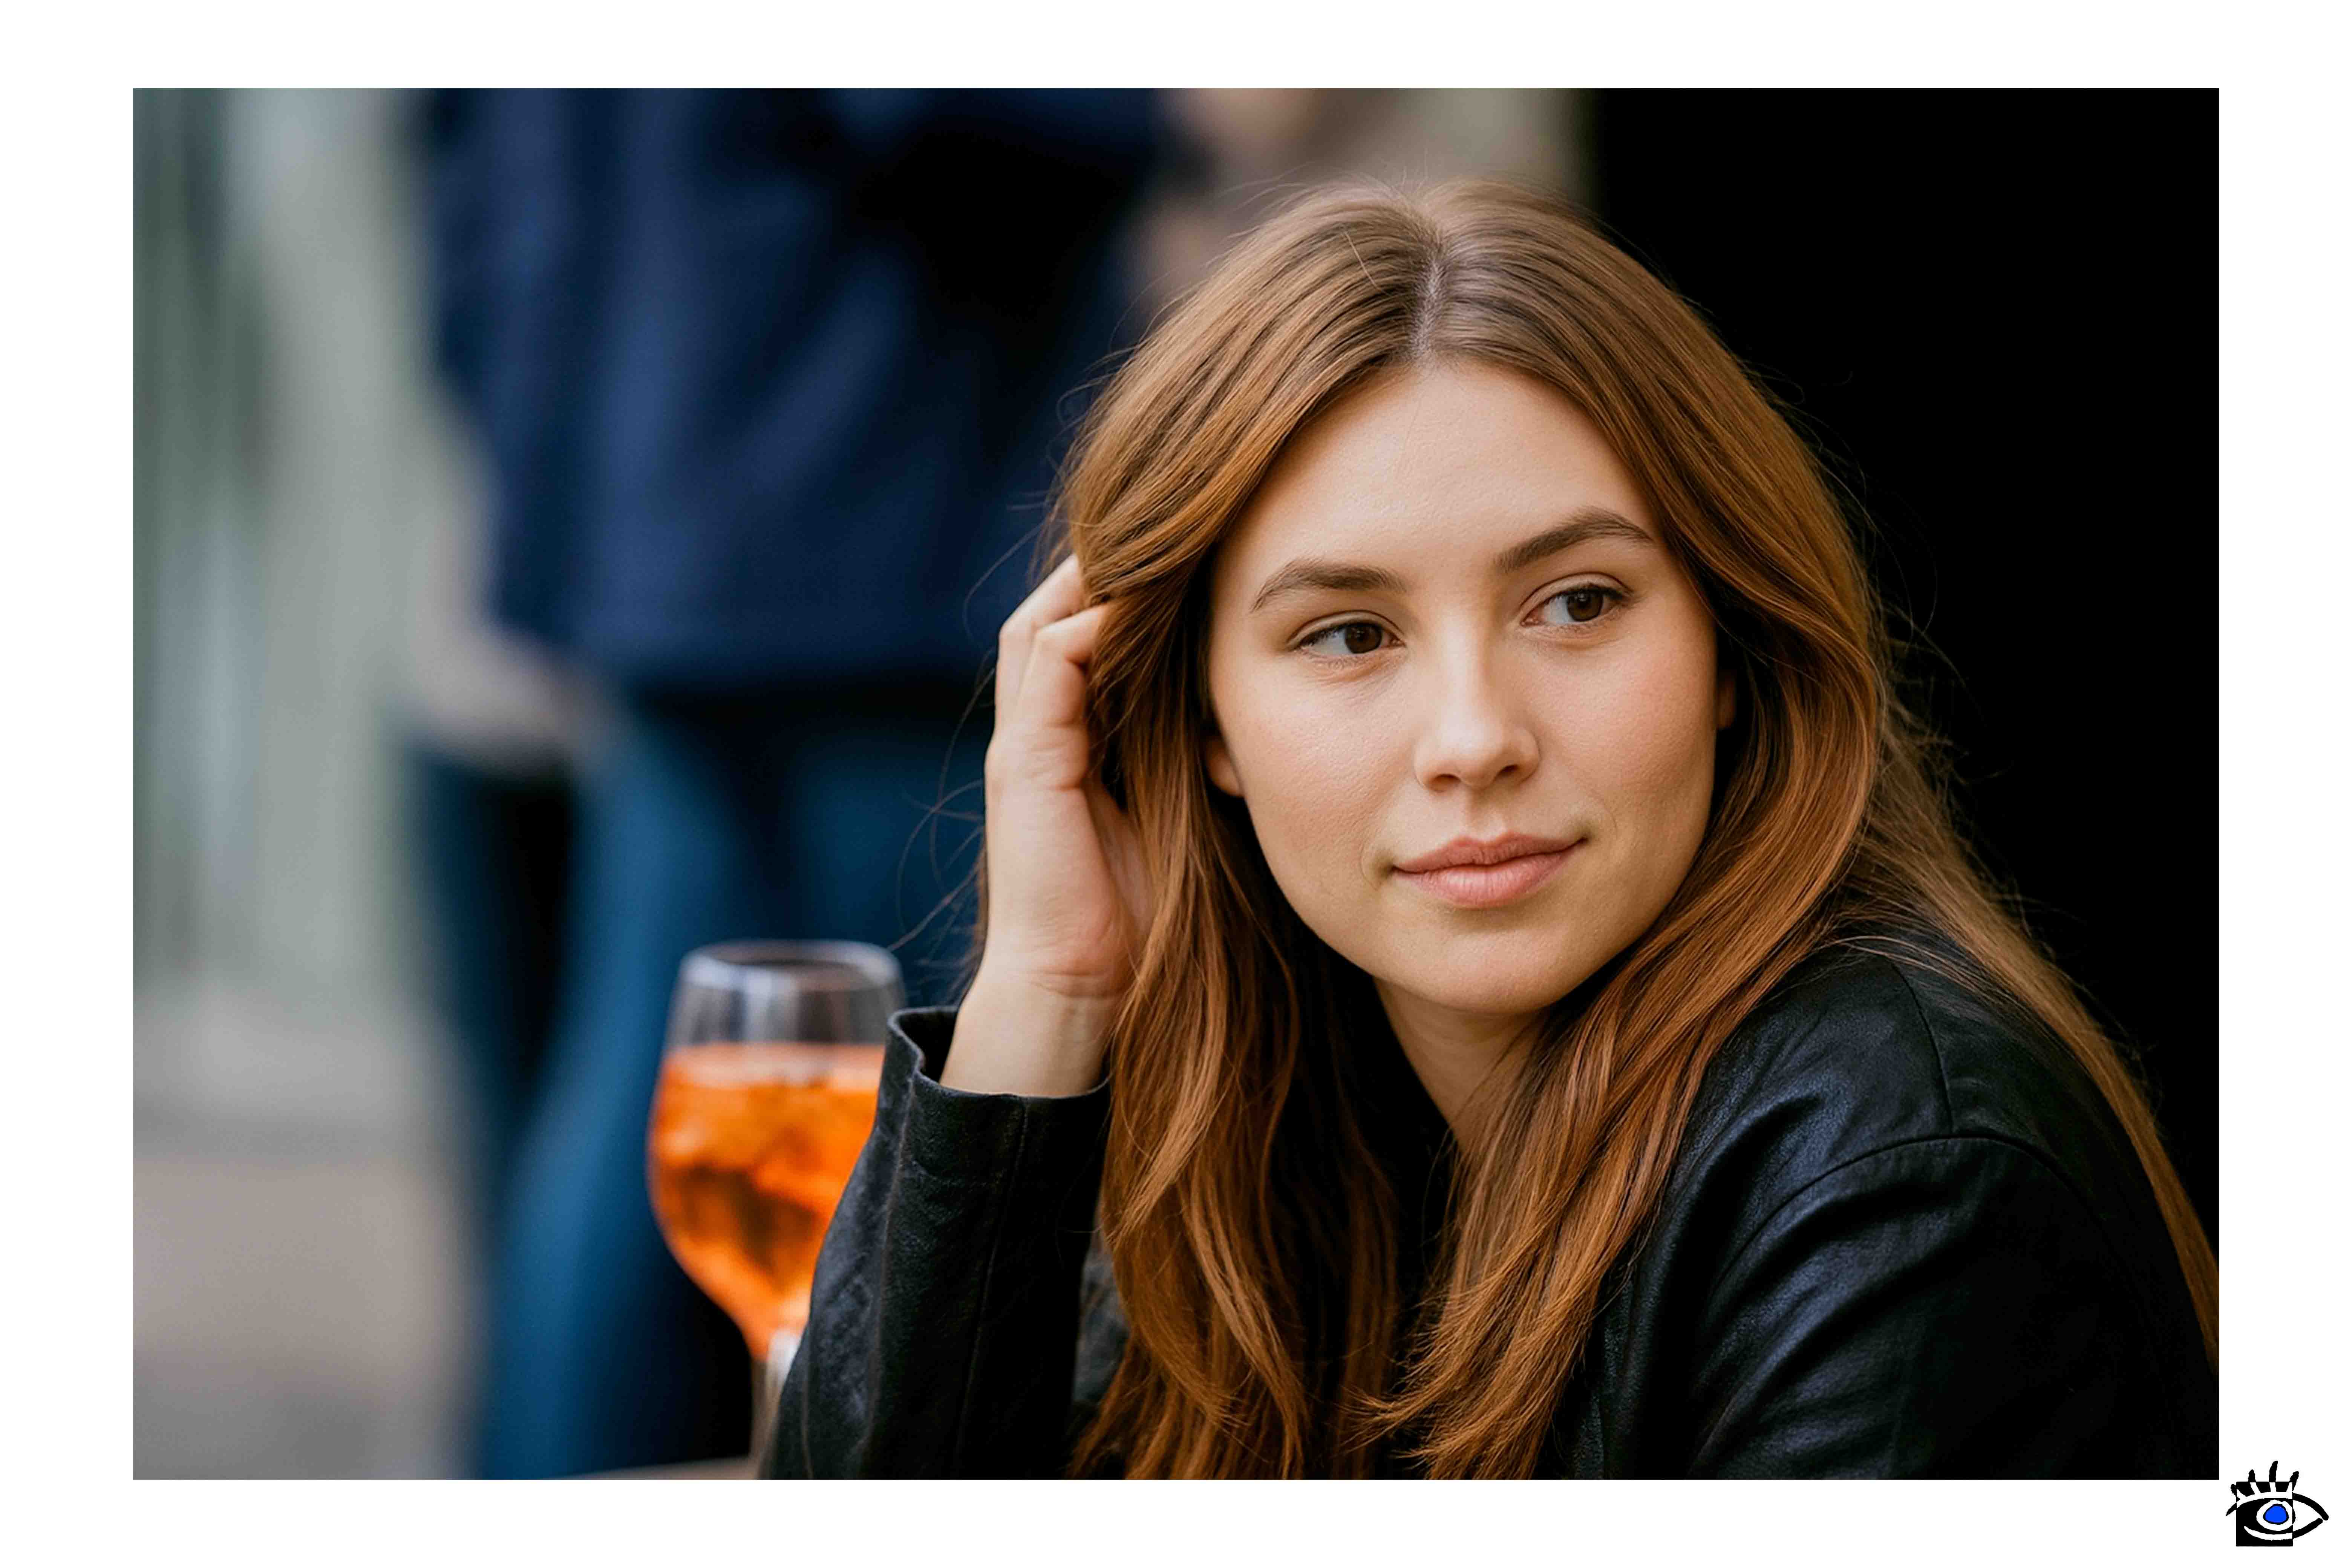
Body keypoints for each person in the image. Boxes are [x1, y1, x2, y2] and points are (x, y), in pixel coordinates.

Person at [764, 177, 2220, 1479]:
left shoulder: (1900, 1172)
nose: (1474, 739)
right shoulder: (1278, 1114)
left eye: (1578, 603)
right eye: (1347, 634)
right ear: (1198, 722)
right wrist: (1048, 990)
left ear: (1734, 647)